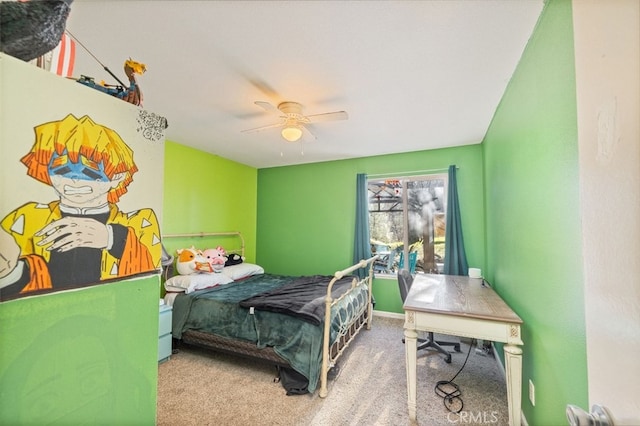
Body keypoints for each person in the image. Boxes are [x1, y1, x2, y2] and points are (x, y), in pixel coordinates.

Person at [0, 114, 161, 301]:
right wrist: (12, 270)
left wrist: (112, 238)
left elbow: (149, 280)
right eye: (61, 170)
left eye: (90, 172)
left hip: (105, 320)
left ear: (117, 177)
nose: (74, 180)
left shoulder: (139, 221)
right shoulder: (27, 216)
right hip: (47, 319)